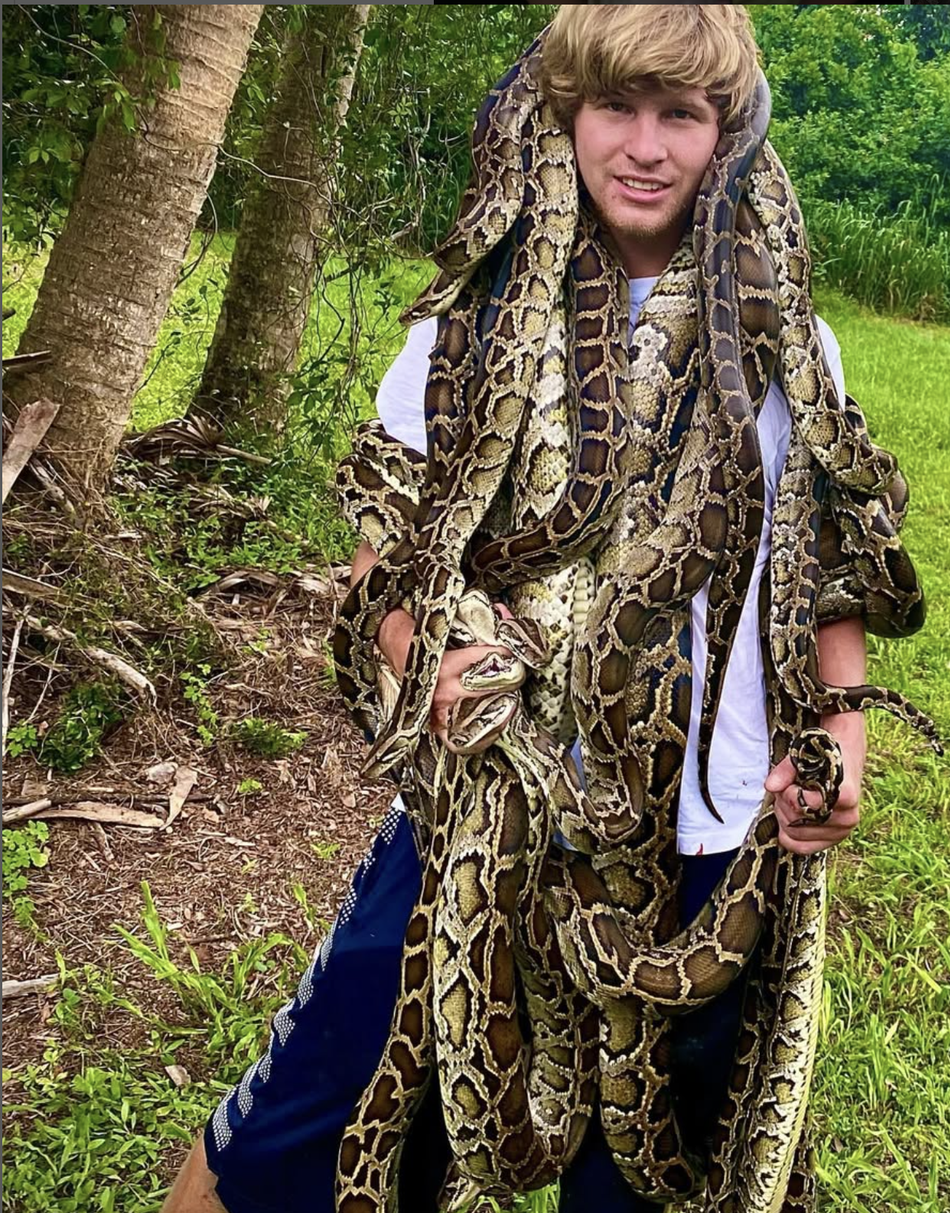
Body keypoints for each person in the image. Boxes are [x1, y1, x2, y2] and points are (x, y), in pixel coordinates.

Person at [160, 6, 868, 1211]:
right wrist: (422, 650)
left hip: (711, 836)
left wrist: (843, 733)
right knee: (295, 1137)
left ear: (726, 133)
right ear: (564, 118)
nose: (643, 147)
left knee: (670, 1177)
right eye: (614, 109)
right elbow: (380, 556)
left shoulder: (791, 345)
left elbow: (828, 567)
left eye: (680, 115)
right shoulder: (463, 328)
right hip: (478, 817)